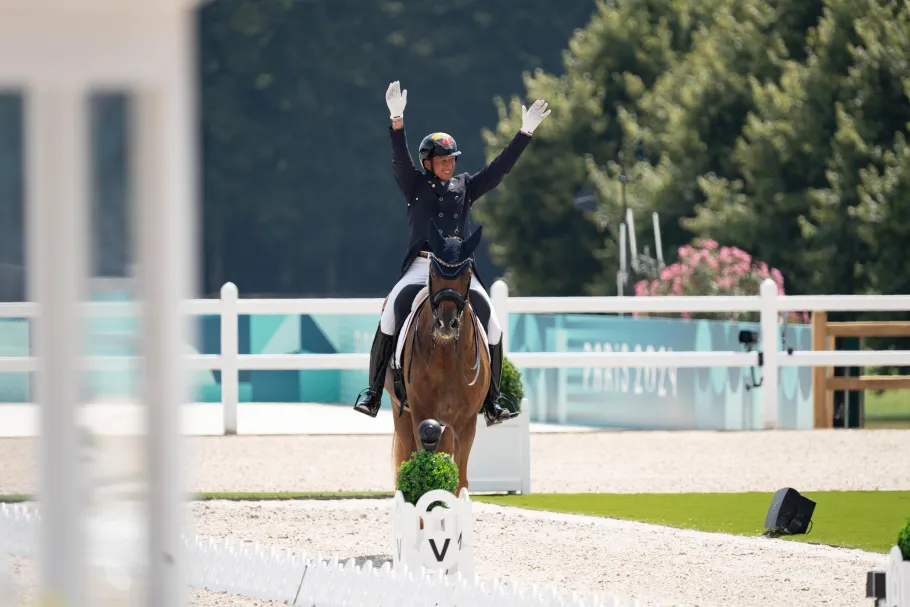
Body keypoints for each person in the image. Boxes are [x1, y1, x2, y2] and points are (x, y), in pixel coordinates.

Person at [353, 80, 551, 426]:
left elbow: (498, 170)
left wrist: (525, 134)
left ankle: (493, 400)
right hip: (423, 266)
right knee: (390, 316)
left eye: (452, 160)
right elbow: (399, 159)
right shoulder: (414, 184)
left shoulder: (465, 186)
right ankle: (372, 392)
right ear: (428, 163)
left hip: (458, 269)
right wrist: (397, 120)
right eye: (443, 160)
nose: (449, 165)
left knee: (493, 325)